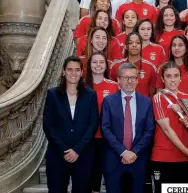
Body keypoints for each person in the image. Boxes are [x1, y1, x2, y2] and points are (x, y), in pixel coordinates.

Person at [43, 56, 99, 193]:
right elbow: (48, 125)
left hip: (83, 154)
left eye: (77, 70)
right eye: (70, 70)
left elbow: (93, 124)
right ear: (63, 71)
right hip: (58, 154)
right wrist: (64, 150)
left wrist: (77, 149)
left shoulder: (90, 95)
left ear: (81, 72)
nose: (73, 73)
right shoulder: (53, 94)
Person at [101, 62, 155, 193]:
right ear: (118, 80)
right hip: (114, 158)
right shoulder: (108, 101)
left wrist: (134, 152)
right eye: (125, 77)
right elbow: (105, 129)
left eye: (133, 77)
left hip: (138, 158)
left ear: (137, 80)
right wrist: (123, 152)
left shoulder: (147, 102)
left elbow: (149, 131)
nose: (129, 81)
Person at [151, 61, 188, 193]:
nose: (173, 80)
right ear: (162, 78)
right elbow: (166, 129)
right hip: (164, 156)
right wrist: (186, 150)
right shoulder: (158, 98)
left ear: (181, 77)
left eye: (176, 76)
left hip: (184, 157)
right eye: (168, 76)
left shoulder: (187, 98)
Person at [85, 52, 119, 193]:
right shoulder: (82, 86)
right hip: (88, 138)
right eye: (94, 62)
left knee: (110, 173)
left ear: (106, 66)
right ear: (89, 65)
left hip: (108, 138)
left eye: (101, 62)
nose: (98, 65)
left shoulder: (114, 86)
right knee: (91, 176)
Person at [109, 32, 157, 98]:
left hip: (142, 107)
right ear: (126, 46)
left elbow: (152, 93)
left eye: (137, 43)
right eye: (130, 43)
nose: (134, 45)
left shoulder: (150, 67)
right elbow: (112, 90)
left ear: (142, 45)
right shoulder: (116, 66)